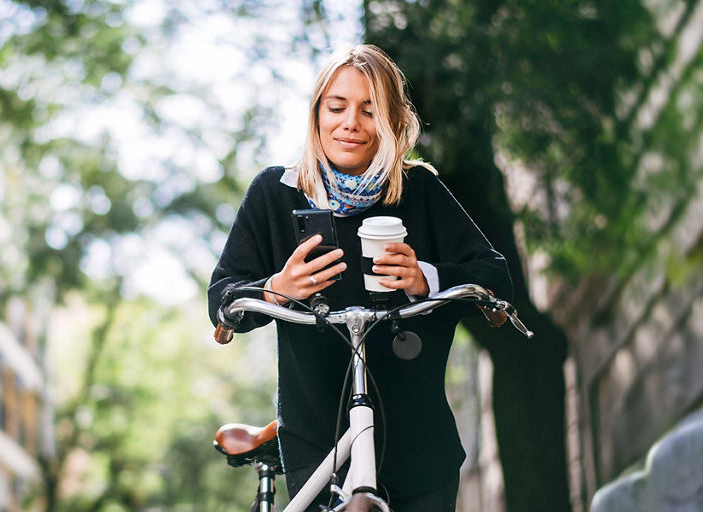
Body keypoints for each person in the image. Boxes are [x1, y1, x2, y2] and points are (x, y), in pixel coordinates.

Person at [207, 44, 513, 510]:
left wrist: (425, 277)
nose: (351, 122)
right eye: (337, 106)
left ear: (389, 122)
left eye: (370, 110)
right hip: (317, 434)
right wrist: (277, 289)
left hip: (419, 441)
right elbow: (224, 295)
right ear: (316, 115)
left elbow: (494, 276)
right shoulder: (275, 193)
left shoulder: (419, 191)